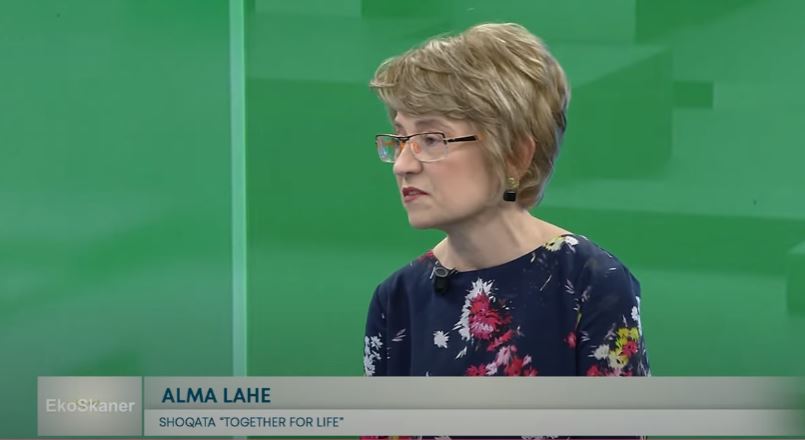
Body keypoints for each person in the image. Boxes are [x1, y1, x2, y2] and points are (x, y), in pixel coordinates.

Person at [364, 22, 649, 383]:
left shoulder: (590, 283)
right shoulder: (397, 299)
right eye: (401, 139)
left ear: (515, 155)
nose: (402, 165)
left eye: (432, 139)